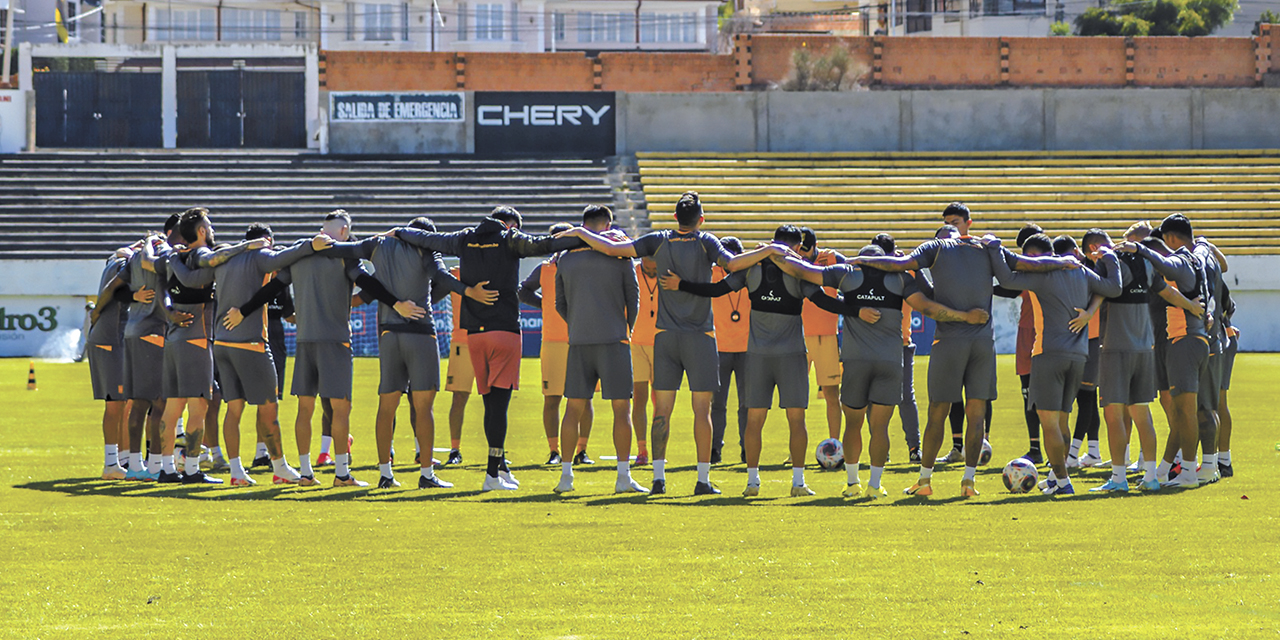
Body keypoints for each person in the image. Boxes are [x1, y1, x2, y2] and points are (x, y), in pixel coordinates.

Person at [563, 192, 787, 495]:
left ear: (674, 217)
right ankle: (703, 480)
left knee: (661, 411)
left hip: (665, 337)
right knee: (702, 411)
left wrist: (580, 233)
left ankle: (658, 479)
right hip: (700, 336)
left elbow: (616, 249)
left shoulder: (657, 240)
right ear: (701, 219)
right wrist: (770, 249)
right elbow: (733, 264)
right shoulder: (706, 241)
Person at [853, 203, 1077, 497]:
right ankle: (969, 482)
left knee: (938, 411)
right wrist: (1063, 262)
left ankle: (925, 481)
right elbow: (1027, 264)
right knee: (977, 412)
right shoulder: (986, 247)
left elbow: (900, 265)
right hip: (984, 342)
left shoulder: (936, 246)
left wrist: (854, 259)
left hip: (949, 341)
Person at [771, 244, 988, 498]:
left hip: (855, 361)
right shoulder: (900, 279)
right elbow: (928, 308)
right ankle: (874, 485)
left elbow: (804, 272)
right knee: (880, 426)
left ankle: (853, 484)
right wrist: (965, 316)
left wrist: (776, 253)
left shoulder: (847, 274)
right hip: (890, 362)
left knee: (853, 424)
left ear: (862, 260)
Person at [393, 206, 584, 491]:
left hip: (474, 334)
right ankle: (492, 475)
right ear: (507, 225)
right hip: (504, 331)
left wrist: (398, 232)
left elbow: (429, 240)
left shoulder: (464, 238)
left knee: (489, 404)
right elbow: (546, 244)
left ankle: (500, 468)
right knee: (499, 405)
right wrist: (582, 235)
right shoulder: (510, 238)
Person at [662, 225, 833, 497]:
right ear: (797, 247)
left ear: (773, 243)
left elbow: (716, 290)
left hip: (757, 355)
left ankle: (752, 482)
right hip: (790, 354)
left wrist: (680, 284)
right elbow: (825, 301)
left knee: (754, 420)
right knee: (796, 419)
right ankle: (798, 483)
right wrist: (857, 308)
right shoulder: (800, 273)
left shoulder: (753, 269)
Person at [325, 216, 495, 489]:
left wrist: (318, 243)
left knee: (386, 407)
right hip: (420, 334)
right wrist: (467, 291)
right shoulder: (426, 248)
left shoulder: (377, 244)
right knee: (423, 407)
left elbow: (341, 251)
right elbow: (441, 276)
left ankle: (385, 474)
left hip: (388, 334)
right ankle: (427, 474)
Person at [194, 222, 332, 486]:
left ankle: (236, 472)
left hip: (222, 342)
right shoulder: (261, 256)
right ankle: (279, 467)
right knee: (269, 409)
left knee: (233, 409)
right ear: (266, 240)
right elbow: (284, 257)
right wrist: (311, 245)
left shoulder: (226, 258)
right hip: (251, 344)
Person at [986, 233, 1123, 495]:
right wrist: (1111, 259)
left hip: (1048, 354)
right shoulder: (1080, 270)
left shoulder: (1040, 275)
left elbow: (1005, 277)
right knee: (1062, 422)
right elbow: (1113, 288)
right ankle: (1054, 478)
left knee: (1049, 424)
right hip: (1078, 356)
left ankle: (1063, 482)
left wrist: (993, 246)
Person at [154, 208, 263, 485]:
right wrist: (248, 245)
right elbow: (215, 258)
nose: (212, 229)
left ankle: (166, 469)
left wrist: (167, 312)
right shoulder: (200, 254)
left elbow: (156, 277)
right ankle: (191, 469)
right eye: (209, 226)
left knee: (172, 408)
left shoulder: (173, 256)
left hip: (174, 338)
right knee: (200, 406)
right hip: (197, 338)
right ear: (201, 231)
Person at [552, 205, 646, 494]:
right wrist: (626, 329)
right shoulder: (617, 254)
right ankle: (622, 477)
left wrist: (578, 325)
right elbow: (635, 298)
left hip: (579, 340)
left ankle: (566, 477)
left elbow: (560, 303)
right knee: (622, 409)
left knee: (573, 408)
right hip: (614, 339)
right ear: (607, 225)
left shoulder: (565, 259)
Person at [1071, 227, 1174, 492]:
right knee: (1142, 414)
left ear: (1094, 249)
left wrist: (1088, 314)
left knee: (1114, 415)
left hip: (1115, 348)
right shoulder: (1145, 264)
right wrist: (1194, 306)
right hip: (1144, 349)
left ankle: (1118, 479)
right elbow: (1167, 292)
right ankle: (1150, 477)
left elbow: (1107, 290)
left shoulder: (1110, 265)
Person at [1117, 215, 1213, 488]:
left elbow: (1164, 264)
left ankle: (1189, 473)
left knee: (1185, 411)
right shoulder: (1197, 259)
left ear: (1169, 239)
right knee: (1182, 412)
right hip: (1191, 340)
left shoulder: (1182, 260)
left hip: (1184, 339)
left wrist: (1139, 248)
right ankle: (1166, 469)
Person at [518, 223, 595, 466]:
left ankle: (582, 451)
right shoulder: (545, 268)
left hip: (581, 339)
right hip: (552, 342)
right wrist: (546, 305)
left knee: (584, 398)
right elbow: (523, 290)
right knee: (552, 399)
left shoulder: (584, 266)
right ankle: (554, 451)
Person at [121, 215, 183, 481]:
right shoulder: (163, 255)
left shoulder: (135, 256)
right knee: (160, 403)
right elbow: (162, 291)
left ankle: (136, 465)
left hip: (132, 330)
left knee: (138, 404)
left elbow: (118, 285)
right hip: (153, 332)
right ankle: (154, 465)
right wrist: (171, 317)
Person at [86, 242, 149, 479]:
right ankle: (111, 464)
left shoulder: (114, 259)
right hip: (110, 339)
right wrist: (135, 296)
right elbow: (113, 290)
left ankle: (121, 459)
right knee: (115, 403)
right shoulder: (126, 263)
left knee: (122, 402)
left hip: (108, 337)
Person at [869, 233, 922, 463]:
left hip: (881, 344)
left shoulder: (870, 272)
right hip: (897, 342)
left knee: (880, 398)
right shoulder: (905, 271)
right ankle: (913, 449)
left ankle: (886, 450)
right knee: (904, 398)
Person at [798, 228, 846, 443]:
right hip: (798, 335)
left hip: (827, 335)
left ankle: (834, 443)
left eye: (806, 250)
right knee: (796, 397)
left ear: (815, 246)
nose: (802, 255)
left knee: (831, 394)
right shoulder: (790, 260)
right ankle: (795, 448)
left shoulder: (833, 258)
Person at [708, 236, 750, 465]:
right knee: (718, 404)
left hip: (746, 349)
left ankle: (746, 448)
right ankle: (714, 449)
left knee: (747, 404)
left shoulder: (750, 276)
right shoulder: (712, 274)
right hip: (719, 348)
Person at [629, 257, 658, 467]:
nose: (652, 269)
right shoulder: (632, 272)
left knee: (661, 402)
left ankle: (658, 449)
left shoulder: (668, 271)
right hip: (635, 344)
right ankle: (642, 450)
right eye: (649, 265)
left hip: (662, 344)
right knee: (639, 400)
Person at [442, 265, 471, 467]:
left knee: (494, 398)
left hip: (487, 338)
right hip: (462, 342)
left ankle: (496, 451)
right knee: (459, 396)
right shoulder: (454, 274)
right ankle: (455, 449)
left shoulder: (492, 268)